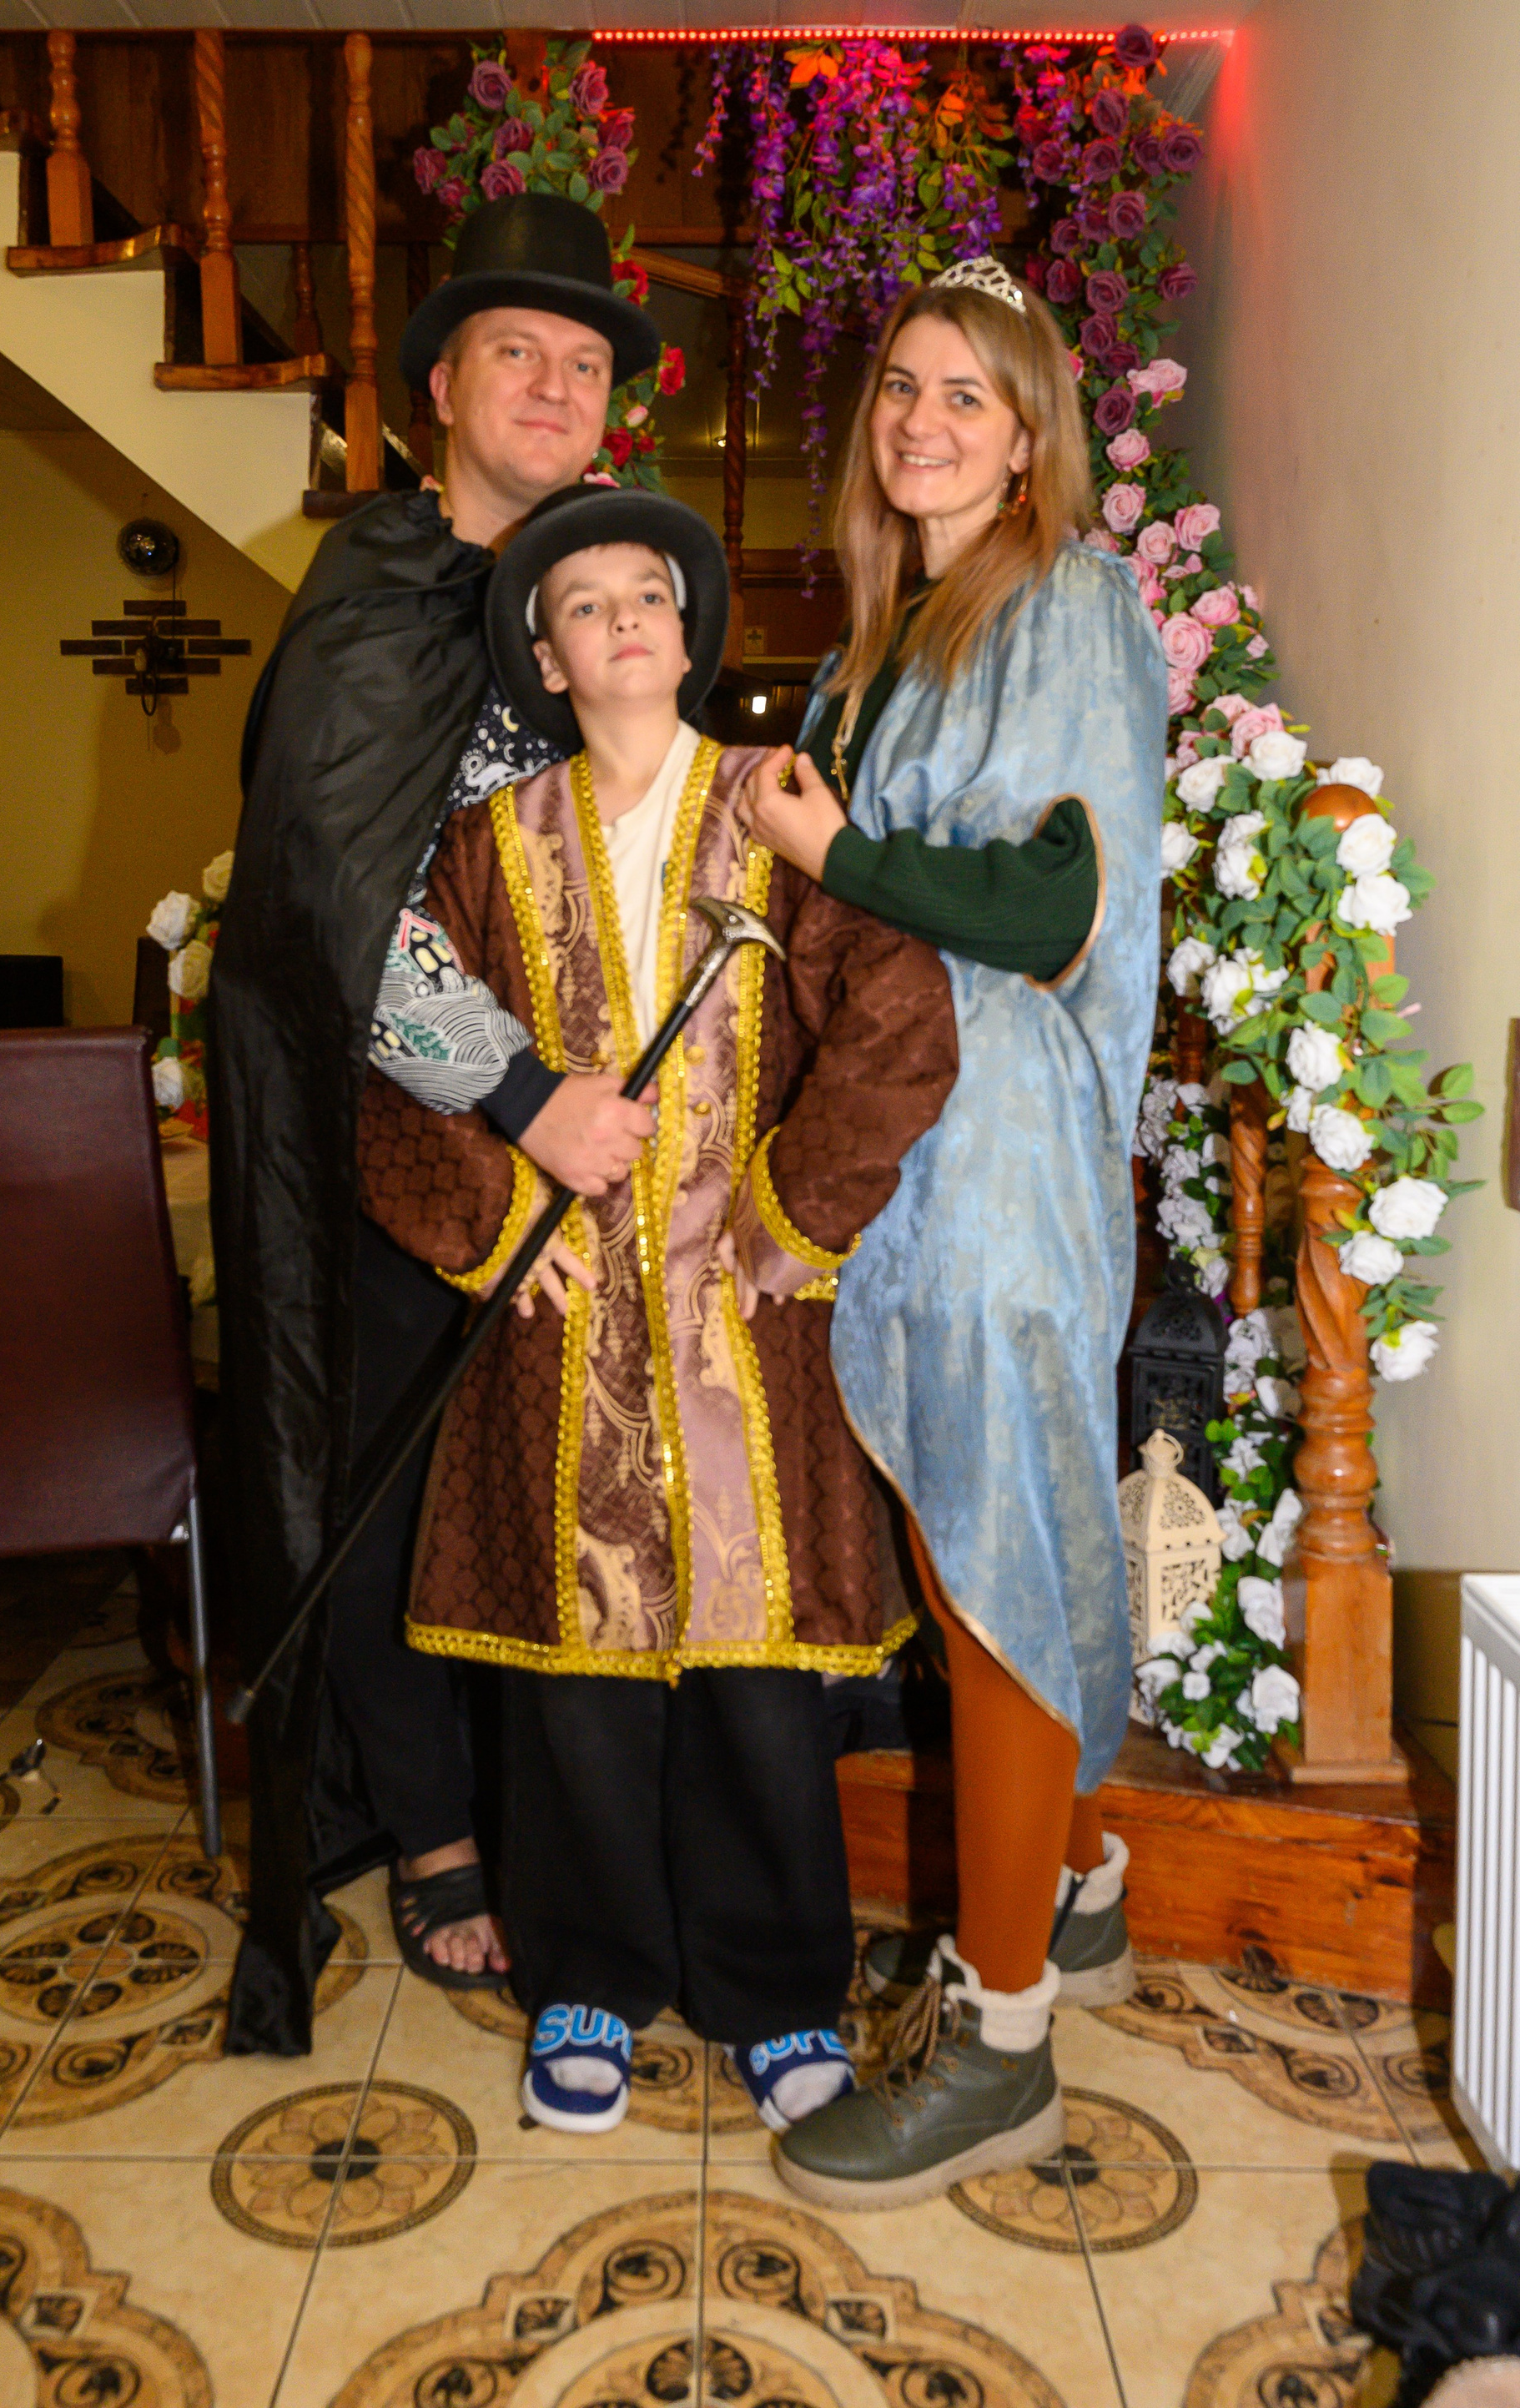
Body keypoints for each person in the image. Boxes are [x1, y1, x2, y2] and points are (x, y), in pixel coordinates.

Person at [355, 485, 959, 2135]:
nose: (622, 618)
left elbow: (898, 1011)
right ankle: (591, 1975)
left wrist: (797, 1205)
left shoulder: (782, 807)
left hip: (745, 1324)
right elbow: (400, 1057)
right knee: (578, 1682)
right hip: (558, 1326)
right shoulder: (479, 850)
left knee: (759, 1687)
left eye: (648, 594)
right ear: (547, 660)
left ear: (688, 636)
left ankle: (778, 1988)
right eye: (584, 604)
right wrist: (494, 1222)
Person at [211, 194, 665, 2053]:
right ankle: (438, 1831)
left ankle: (571, 1822)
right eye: (516, 353)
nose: (554, 385)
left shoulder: (603, 593)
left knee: (560, 1496)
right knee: (388, 1494)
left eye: (586, 362)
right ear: (440, 394)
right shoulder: (379, 581)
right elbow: (337, 896)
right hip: (408, 1149)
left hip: (589, 1152)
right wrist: (522, 1096)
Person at [736, 254, 1167, 2203]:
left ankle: (1003, 2050)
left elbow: (1054, 902)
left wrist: (830, 846)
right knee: (970, 1540)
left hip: (997, 1157)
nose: (921, 420)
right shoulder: (887, 636)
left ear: (1030, 436)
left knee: (989, 1575)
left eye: (966, 395)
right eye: (902, 386)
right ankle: (1073, 1889)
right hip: (909, 1153)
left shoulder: (1064, 599)